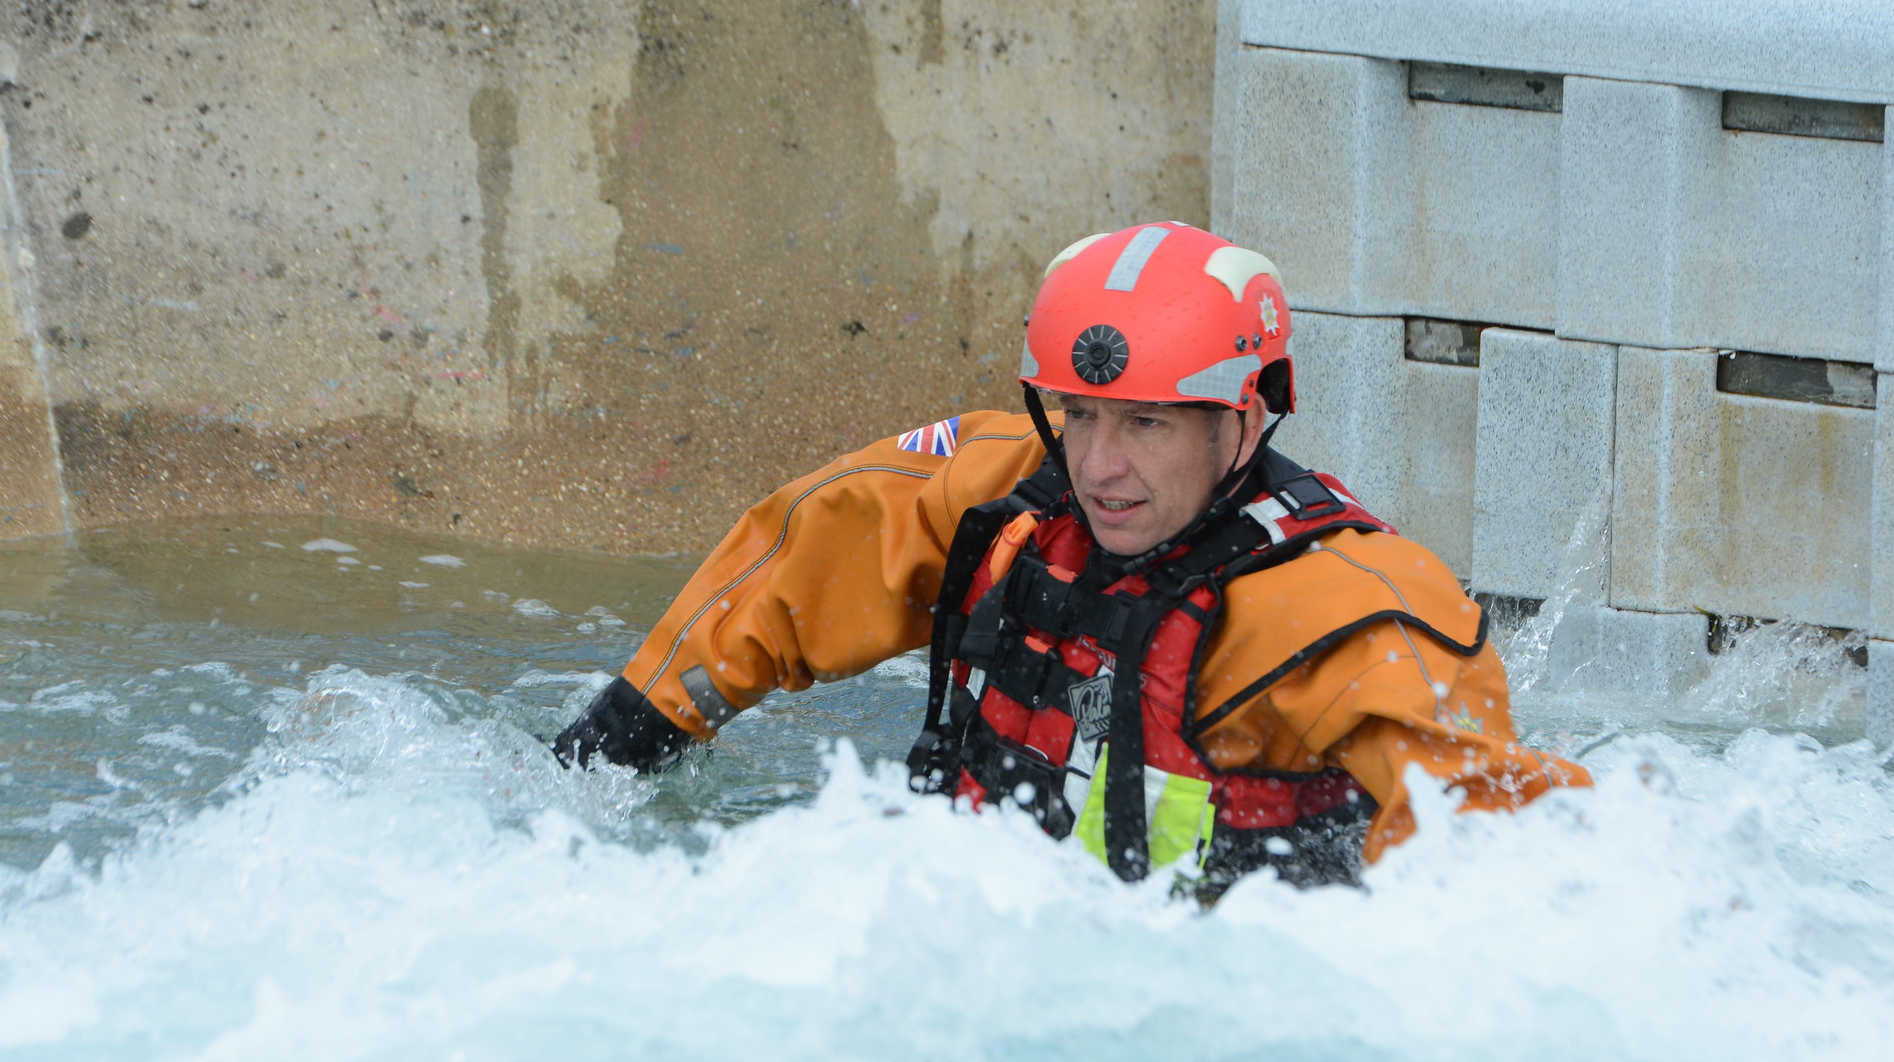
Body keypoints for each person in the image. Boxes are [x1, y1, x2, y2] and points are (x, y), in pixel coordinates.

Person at [552, 222, 1589, 896]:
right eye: (1080, 415)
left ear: (1243, 419)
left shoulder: (1348, 613)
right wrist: (607, 753)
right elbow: (802, 555)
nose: (1100, 467)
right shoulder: (1003, 498)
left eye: (1146, 424)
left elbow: (1500, 857)